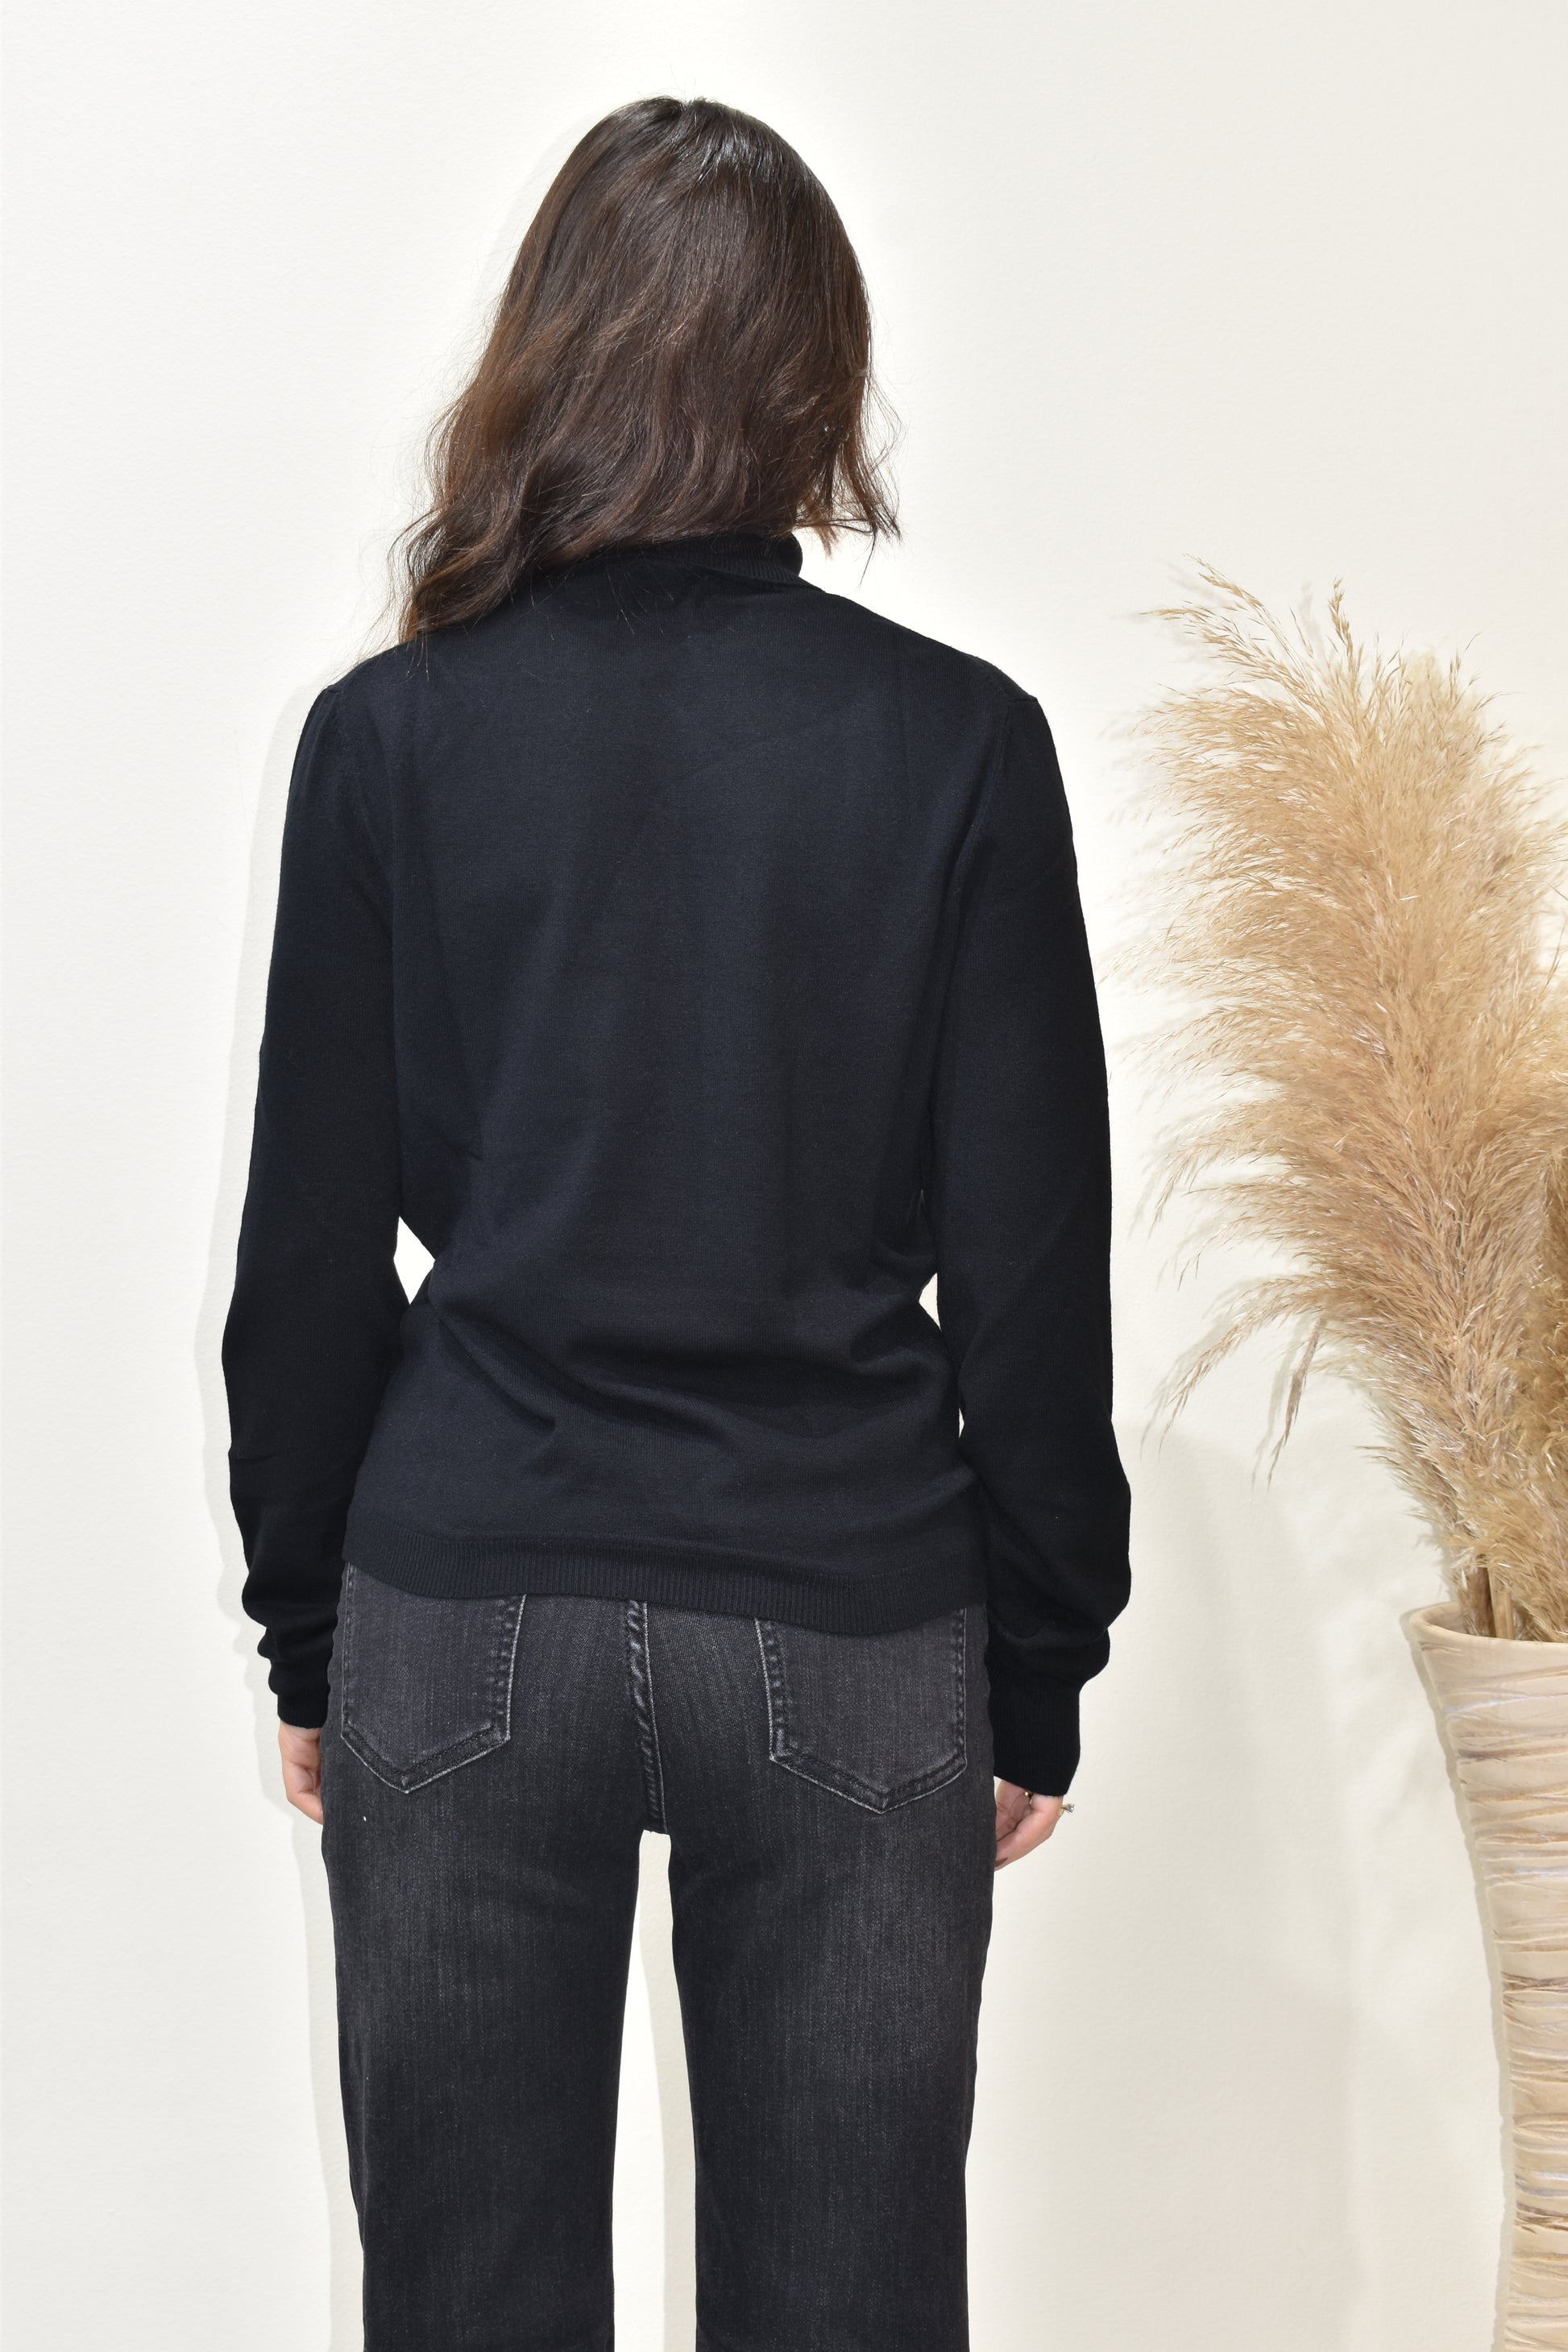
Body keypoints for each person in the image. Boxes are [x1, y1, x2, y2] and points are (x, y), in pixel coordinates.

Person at [222, 93, 1131, 2352]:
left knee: (465, 2308)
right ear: (816, 375)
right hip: (849, 1614)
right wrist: (1038, 1653)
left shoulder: (392, 738)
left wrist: (310, 1628)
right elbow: (1033, 1260)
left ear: (548, 352)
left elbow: (309, 1249)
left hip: (469, 1604)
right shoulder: (955, 746)